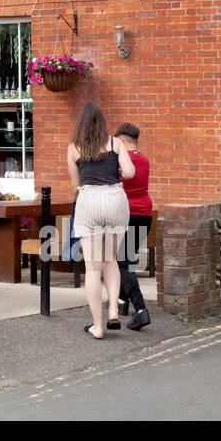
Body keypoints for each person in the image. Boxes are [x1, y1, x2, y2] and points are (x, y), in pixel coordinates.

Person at [67, 102, 135, 340]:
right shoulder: (116, 143)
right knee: (111, 259)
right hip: (115, 199)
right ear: (102, 122)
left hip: (90, 200)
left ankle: (98, 326)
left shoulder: (74, 148)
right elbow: (130, 173)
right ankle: (114, 311)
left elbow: (75, 185)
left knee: (93, 268)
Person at [114, 122, 153, 331]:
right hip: (144, 215)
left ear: (121, 141)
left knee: (123, 262)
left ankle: (140, 310)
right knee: (126, 258)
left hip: (127, 215)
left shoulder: (122, 162)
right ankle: (122, 302)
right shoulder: (144, 160)